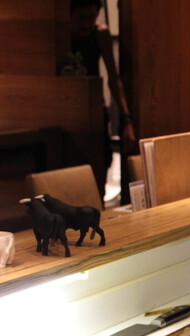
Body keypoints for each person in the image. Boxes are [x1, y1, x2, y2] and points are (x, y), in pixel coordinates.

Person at [70, 0, 137, 203]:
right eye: (81, 17)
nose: (86, 23)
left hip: (95, 107)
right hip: (68, 109)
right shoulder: (61, 34)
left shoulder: (100, 34)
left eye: (91, 17)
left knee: (101, 165)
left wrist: (127, 120)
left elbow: (114, 79)